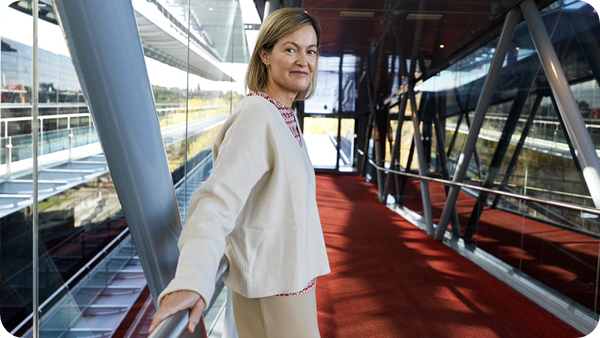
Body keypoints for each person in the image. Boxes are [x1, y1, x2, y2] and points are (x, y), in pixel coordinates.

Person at [149, 8, 330, 338]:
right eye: (290, 49)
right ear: (265, 54)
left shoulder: (283, 115)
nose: (303, 60)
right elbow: (214, 203)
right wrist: (193, 280)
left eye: (311, 51)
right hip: (273, 292)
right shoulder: (256, 115)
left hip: (294, 280)